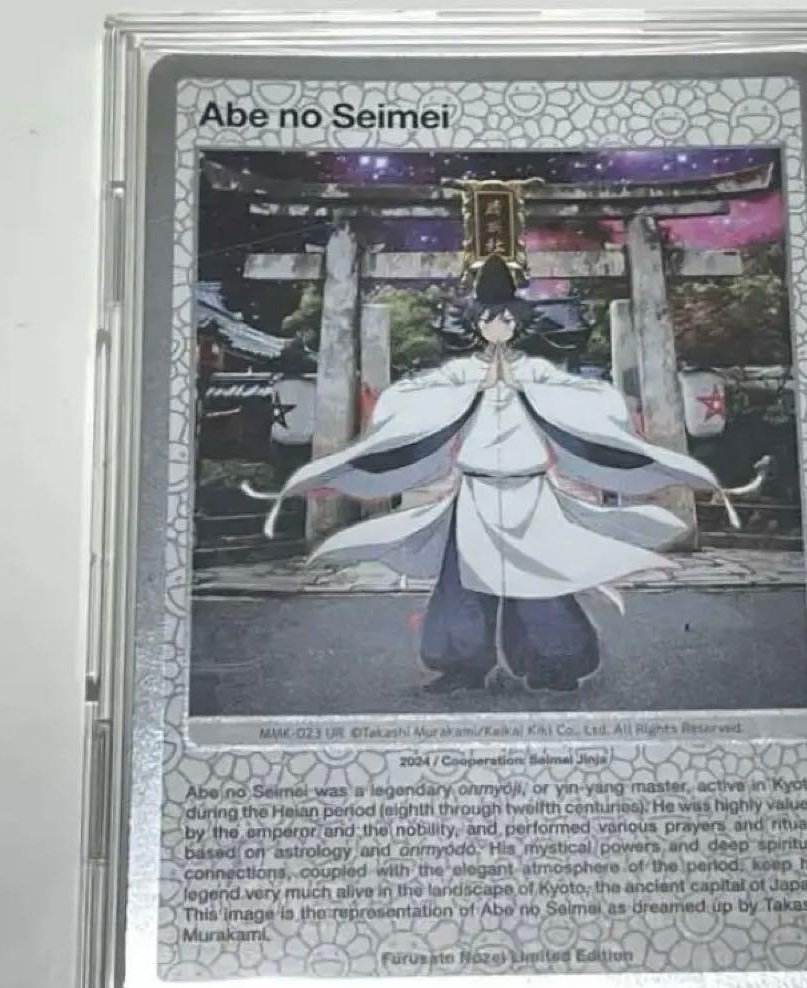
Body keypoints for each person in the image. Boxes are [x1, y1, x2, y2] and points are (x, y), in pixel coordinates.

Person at [259, 256, 738, 692]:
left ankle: (556, 663)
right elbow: (411, 396)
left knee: (542, 580)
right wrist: (470, 391)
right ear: (476, 323)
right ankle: (461, 665)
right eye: (489, 319)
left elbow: (586, 396)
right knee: (463, 584)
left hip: (530, 490)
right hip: (476, 492)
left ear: (517, 322)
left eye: (506, 318)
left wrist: (529, 390)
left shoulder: (536, 371)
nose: (498, 326)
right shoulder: (459, 373)